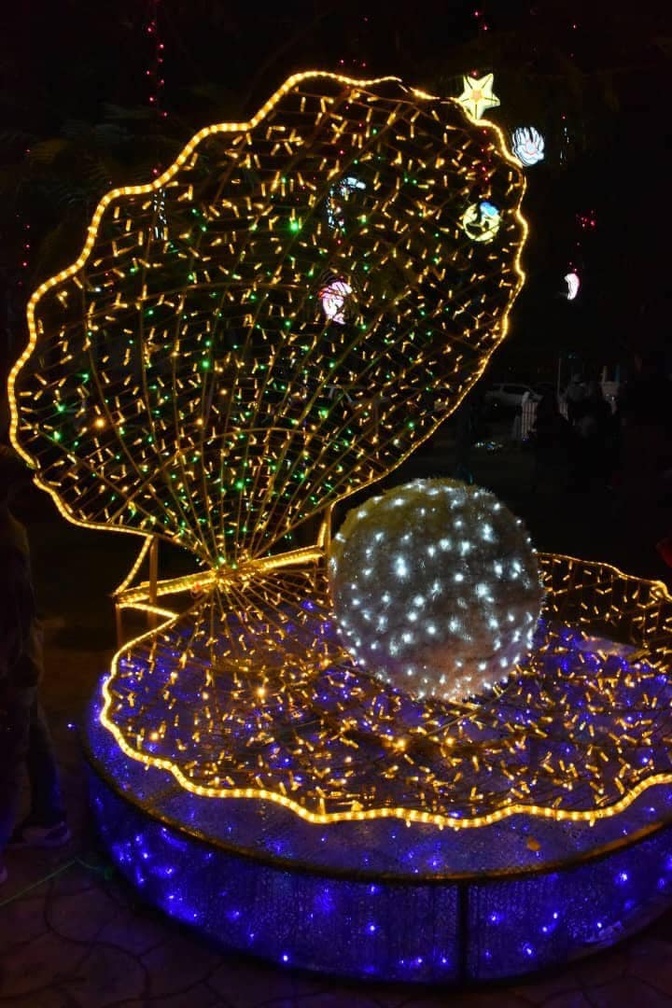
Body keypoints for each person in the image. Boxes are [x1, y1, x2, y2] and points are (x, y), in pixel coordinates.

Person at [0, 446, 70, 885]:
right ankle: (51, 816)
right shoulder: (9, 532)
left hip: (13, 665)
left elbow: (13, 614)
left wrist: (11, 667)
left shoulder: (5, 540)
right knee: (34, 734)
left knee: (7, 757)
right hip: (23, 658)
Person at [529, 390, 573, 492]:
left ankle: (537, 487)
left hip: (548, 450)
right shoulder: (556, 419)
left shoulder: (548, 419)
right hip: (550, 450)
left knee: (542, 469)